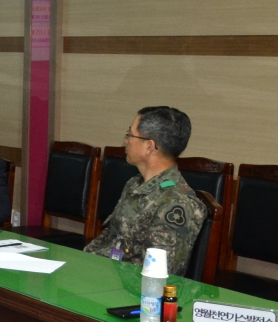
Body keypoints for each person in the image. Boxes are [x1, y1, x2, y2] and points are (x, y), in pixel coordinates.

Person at [84, 106, 206, 276]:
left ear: (149, 146)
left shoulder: (176, 202)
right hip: (106, 274)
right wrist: (82, 262)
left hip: (130, 286)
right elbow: (109, 239)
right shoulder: (134, 184)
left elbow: (157, 272)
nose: (126, 140)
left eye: (130, 134)